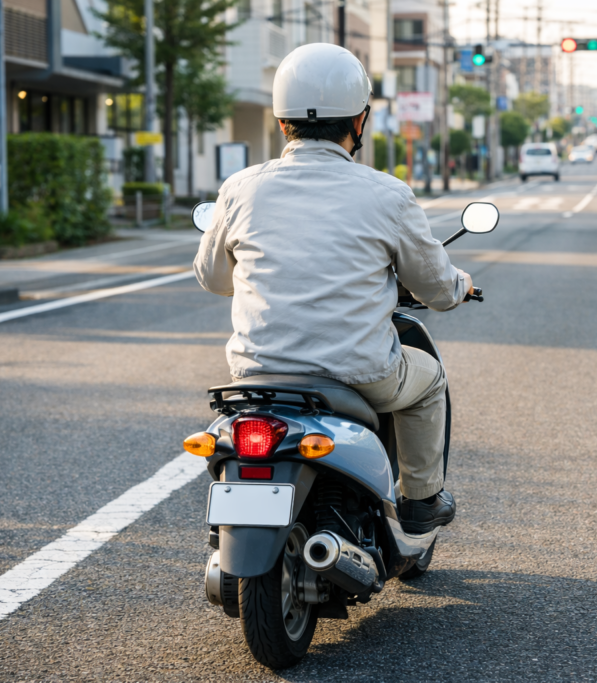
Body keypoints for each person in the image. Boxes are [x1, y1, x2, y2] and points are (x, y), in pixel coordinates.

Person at [193, 43, 472, 534]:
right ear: (359, 121)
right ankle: (422, 500)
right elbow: (438, 290)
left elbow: (214, 279)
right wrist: (461, 284)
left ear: (283, 122)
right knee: (428, 380)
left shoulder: (240, 188)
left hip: (258, 373)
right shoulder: (387, 193)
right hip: (360, 372)